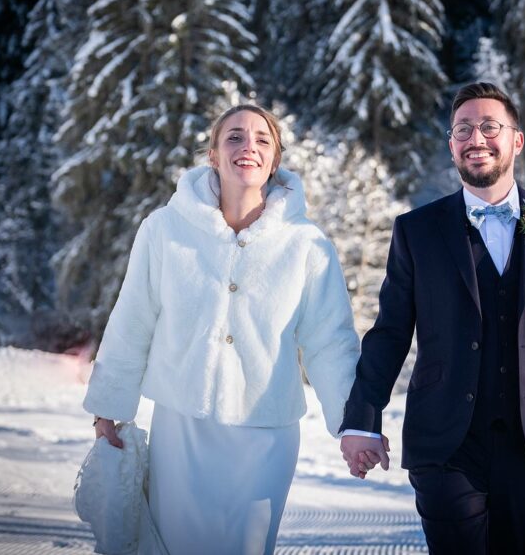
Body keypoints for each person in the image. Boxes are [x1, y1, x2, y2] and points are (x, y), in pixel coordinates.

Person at [339, 82, 525, 553]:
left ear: (516, 140)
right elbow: (388, 334)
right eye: (463, 129)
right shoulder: (416, 231)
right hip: (445, 444)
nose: (476, 138)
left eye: (490, 126)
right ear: (451, 146)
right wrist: (362, 420)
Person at [83, 104, 362, 555]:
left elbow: (330, 342)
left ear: (275, 160)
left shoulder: (308, 244)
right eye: (234, 137)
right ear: (212, 155)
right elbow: (132, 319)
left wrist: (354, 423)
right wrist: (108, 406)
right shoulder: (164, 229)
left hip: (266, 433)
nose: (247, 147)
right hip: (182, 429)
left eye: (261, 139)